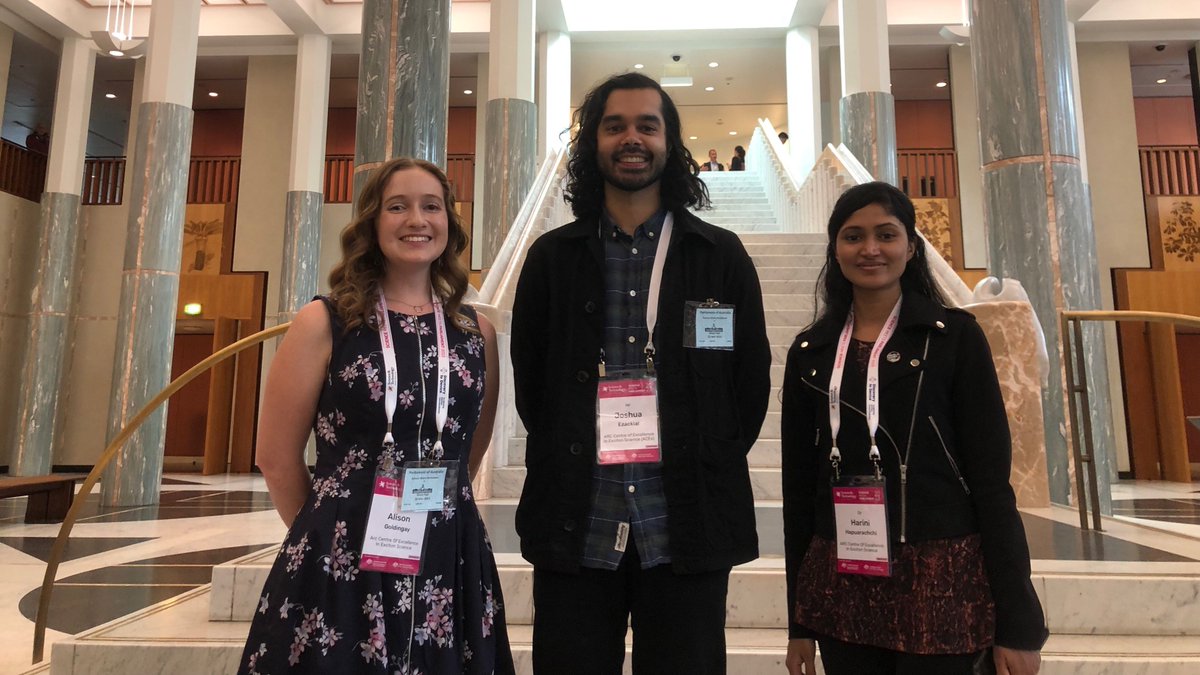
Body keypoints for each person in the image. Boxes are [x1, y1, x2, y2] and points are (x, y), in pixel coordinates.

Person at [511, 71, 771, 673]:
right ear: (593, 143)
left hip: (687, 524)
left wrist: (705, 454)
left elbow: (748, 385)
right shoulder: (552, 258)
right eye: (615, 126)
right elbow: (533, 386)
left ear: (669, 142)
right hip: (576, 521)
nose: (632, 138)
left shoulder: (719, 256)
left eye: (647, 126)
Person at [239, 157, 514, 674]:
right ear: (372, 221)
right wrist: (330, 534)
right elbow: (275, 457)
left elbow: (470, 452)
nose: (417, 220)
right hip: (341, 553)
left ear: (449, 222)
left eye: (431, 206)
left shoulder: (477, 334)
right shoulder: (325, 321)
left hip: (447, 549)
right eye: (397, 207)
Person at [781, 181, 1047, 675]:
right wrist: (799, 622)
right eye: (853, 236)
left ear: (911, 247)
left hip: (943, 584)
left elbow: (992, 484)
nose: (870, 249)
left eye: (886, 234)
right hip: (842, 585)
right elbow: (798, 493)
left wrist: (1019, 625)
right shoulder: (810, 353)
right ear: (835, 249)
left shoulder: (955, 339)